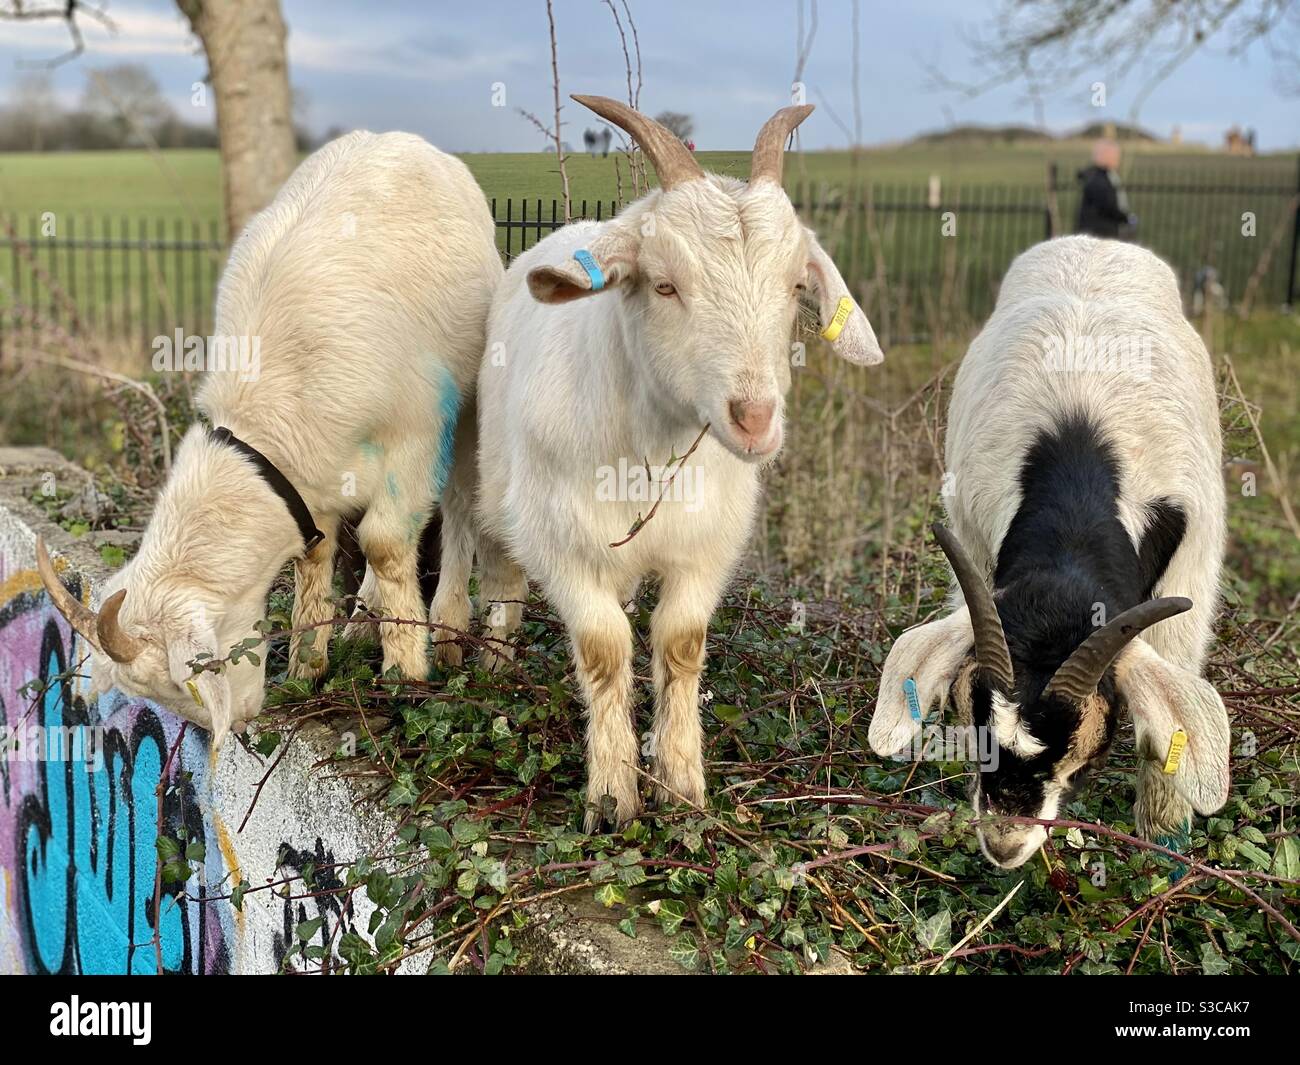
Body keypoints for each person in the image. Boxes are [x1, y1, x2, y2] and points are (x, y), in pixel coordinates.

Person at [1076, 139, 1136, 239]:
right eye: (1116, 155)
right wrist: (1127, 218)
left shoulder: (1101, 174)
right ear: (1107, 156)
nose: (1118, 159)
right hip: (1099, 234)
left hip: (1099, 233)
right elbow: (1107, 205)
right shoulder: (1098, 178)